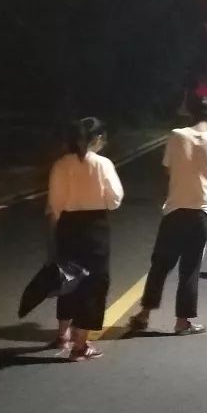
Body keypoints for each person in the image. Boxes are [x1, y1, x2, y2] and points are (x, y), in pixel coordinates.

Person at [129, 97, 207, 336]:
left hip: (174, 210)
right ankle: (182, 321)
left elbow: (167, 170)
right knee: (190, 268)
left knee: (160, 264)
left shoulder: (176, 136)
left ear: (191, 114)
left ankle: (144, 314)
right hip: (201, 213)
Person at [47, 117, 124, 361]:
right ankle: (80, 345)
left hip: (67, 226)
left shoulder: (60, 164)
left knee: (67, 279)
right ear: (97, 139)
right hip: (94, 227)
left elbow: (55, 203)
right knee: (94, 284)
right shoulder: (102, 164)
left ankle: (62, 335)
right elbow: (115, 200)